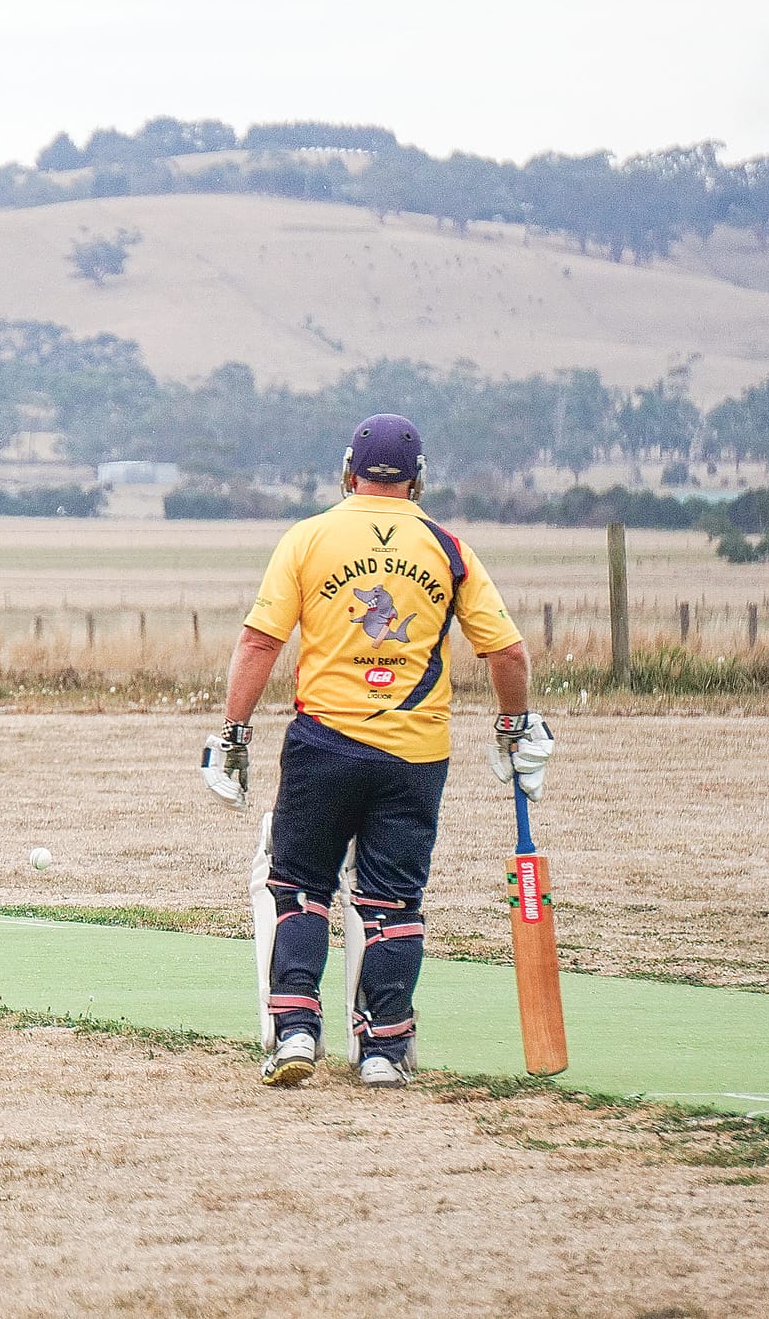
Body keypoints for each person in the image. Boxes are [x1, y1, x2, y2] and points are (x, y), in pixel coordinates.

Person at [202, 414, 554, 1089]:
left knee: (299, 886)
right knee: (392, 899)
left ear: (347, 472)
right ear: (418, 480)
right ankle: (384, 1052)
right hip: (415, 754)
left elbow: (258, 644)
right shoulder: (447, 547)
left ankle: (297, 1029)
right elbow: (507, 651)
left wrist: (234, 735)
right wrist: (516, 724)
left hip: (324, 744)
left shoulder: (308, 538)